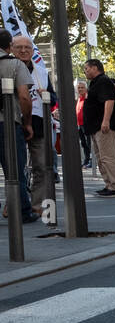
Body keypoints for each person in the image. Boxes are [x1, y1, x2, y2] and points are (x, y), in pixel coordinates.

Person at [11, 36, 53, 217]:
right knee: (14, 169)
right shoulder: (7, 67)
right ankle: (15, 204)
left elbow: (54, 99)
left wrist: (48, 97)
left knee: (42, 167)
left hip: (38, 123)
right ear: (11, 48)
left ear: (32, 51)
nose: (23, 51)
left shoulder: (42, 72)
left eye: (27, 47)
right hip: (14, 123)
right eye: (19, 47)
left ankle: (37, 206)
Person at [0, 30, 36, 222]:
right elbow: (24, 97)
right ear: (10, 47)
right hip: (8, 124)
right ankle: (22, 211)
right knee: (15, 169)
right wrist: (27, 122)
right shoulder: (15, 65)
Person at [82, 58, 115, 196]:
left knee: (108, 156)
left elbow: (109, 100)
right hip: (95, 127)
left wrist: (106, 121)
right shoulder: (95, 83)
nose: (85, 72)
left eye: (86, 68)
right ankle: (109, 184)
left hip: (103, 127)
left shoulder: (103, 81)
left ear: (95, 67)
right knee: (101, 158)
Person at [74, 78, 91, 167]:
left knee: (89, 143)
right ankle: (86, 160)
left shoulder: (87, 97)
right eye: (79, 88)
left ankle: (90, 161)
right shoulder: (79, 98)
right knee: (83, 143)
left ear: (86, 88)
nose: (80, 89)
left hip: (86, 124)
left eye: (82, 87)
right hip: (79, 124)